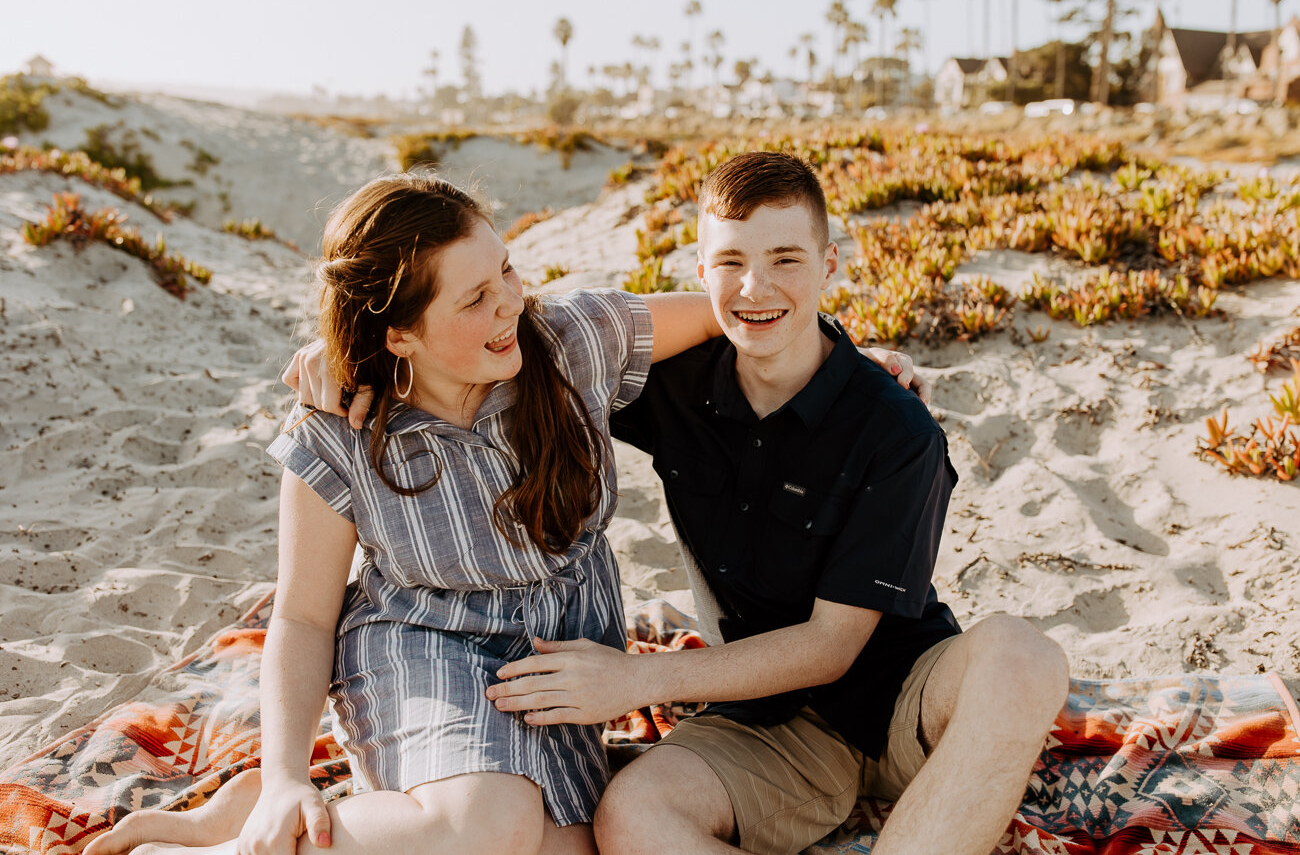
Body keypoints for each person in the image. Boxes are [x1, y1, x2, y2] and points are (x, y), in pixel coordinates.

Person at [84, 169, 923, 855]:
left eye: (507, 273)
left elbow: (735, 306)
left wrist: (850, 360)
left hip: (558, 657)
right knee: (484, 823)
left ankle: (323, 819)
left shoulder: (572, 340)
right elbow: (303, 617)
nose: (512, 305)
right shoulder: (340, 429)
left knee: (564, 847)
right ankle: (240, 843)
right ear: (401, 336)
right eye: (475, 298)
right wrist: (283, 776)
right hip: (421, 642)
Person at [484, 152, 1072, 855]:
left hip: (907, 698)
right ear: (700, 274)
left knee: (1022, 654)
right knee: (633, 814)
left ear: (829, 268)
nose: (754, 286)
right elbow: (522, 339)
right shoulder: (670, 384)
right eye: (730, 261)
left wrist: (634, 680)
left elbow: (831, 646)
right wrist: (344, 356)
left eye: (786, 259)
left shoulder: (896, 428)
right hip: (766, 722)